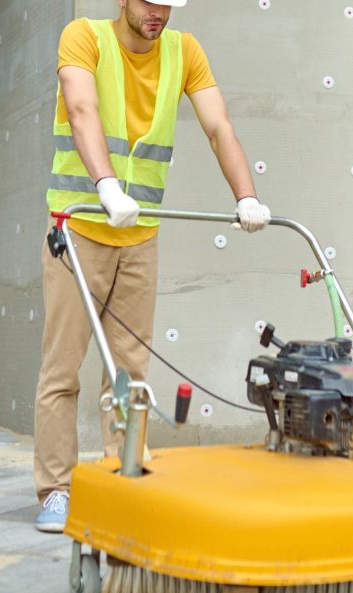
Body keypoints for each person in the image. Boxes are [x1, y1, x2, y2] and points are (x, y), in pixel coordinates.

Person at [33, 0, 271, 532]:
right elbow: (81, 111)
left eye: (168, 3)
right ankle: (56, 490)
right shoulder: (84, 37)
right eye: (149, 1)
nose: (159, 12)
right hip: (81, 229)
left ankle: (124, 478)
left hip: (142, 236)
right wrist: (107, 185)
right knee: (61, 371)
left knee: (130, 373)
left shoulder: (184, 51)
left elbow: (219, 126)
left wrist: (246, 196)